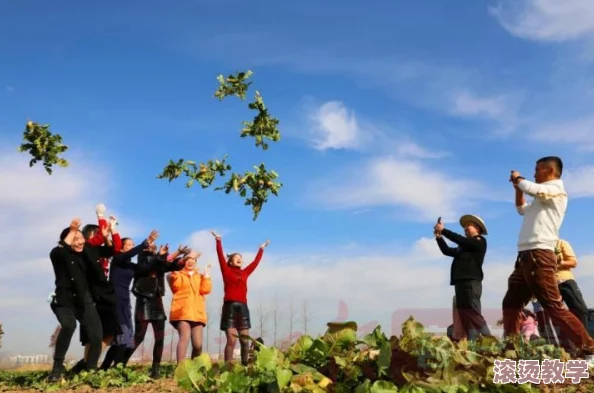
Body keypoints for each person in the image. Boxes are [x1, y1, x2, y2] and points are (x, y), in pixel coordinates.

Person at [502, 156, 594, 364]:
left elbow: (534, 189)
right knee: (511, 303)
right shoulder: (540, 201)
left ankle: (590, 349)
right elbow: (521, 208)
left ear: (550, 171)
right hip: (525, 257)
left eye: (537, 170)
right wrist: (518, 189)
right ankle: (511, 349)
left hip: (539, 255)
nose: (534, 174)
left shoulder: (556, 190)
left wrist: (519, 179)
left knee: (553, 307)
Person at [47, 218, 103, 382]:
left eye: (81, 238)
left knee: (96, 337)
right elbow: (59, 251)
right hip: (64, 300)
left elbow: (98, 268)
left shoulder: (86, 254)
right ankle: (57, 369)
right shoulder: (59, 255)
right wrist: (72, 230)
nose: (79, 242)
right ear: (67, 240)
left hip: (84, 300)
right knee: (69, 325)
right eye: (75, 239)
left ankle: (90, 370)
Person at [124, 243, 189, 378]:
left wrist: (181, 258)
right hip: (144, 301)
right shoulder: (143, 259)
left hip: (157, 301)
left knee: (159, 338)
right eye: (150, 245)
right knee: (138, 337)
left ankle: (156, 369)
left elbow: (169, 266)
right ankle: (120, 363)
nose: (153, 246)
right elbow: (154, 265)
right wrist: (169, 254)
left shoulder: (158, 260)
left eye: (154, 245)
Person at [99, 229, 160, 370]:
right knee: (122, 335)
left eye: (133, 245)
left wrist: (159, 257)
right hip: (114, 302)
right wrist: (146, 242)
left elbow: (146, 268)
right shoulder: (117, 260)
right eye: (129, 245)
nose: (132, 247)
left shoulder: (131, 266)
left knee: (125, 339)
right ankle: (117, 368)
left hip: (125, 304)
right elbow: (130, 254)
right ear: (121, 247)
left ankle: (105, 368)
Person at [210, 230, 270, 365]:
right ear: (230, 261)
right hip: (230, 307)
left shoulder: (245, 273)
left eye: (240, 257)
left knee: (244, 340)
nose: (239, 258)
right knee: (231, 340)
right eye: (236, 257)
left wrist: (261, 249)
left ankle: (244, 366)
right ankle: (228, 367)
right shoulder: (226, 271)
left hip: (242, 308)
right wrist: (218, 240)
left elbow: (255, 263)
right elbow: (220, 256)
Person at [434, 214, 491, 340]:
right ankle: (473, 342)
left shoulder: (479, 241)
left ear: (477, 228)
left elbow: (460, 239)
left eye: (468, 226)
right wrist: (439, 238)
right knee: (465, 315)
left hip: (471, 282)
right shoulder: (464, 246)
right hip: (460, 282)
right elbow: (447, 251)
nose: (465, 228)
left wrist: (443, 230)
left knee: (473, 312)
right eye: (464, 227)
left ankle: (489, 339)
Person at [167, 250, 212, 364]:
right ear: (183, 262)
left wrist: (206, 274)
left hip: (197, 313)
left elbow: (206, 290)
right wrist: (176, 269)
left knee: (198, 345)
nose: (190, 262)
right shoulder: (178, 274)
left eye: (193, 260)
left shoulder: (200, 276)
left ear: (196, 263)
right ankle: (181, 369)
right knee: (184, 338)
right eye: (188, 260)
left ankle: (194, 368)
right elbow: (175, 286)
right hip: (182, 311)